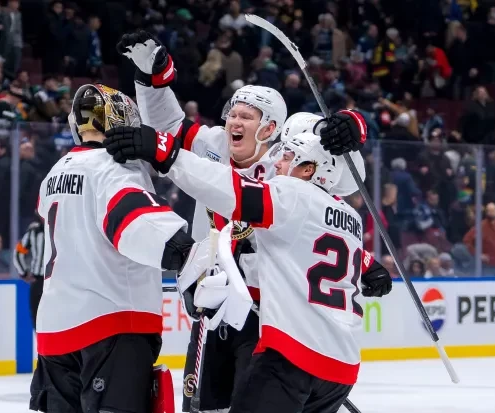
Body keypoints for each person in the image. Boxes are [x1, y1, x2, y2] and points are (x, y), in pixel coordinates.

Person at [116, 30, 367, 413]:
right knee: (202, 407)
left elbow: (343, 186)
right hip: (210, 305)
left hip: (263, 315)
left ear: (269, 128)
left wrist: (350, 129)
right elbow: (167, 130)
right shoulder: (215, 145)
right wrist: (152, 79)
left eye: (246, 116)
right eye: (232, 113)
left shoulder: (287, 168)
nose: (234, 121)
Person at [104, 118, 392, 413]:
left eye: (288, 156)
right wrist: (368, 264)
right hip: (341, 368)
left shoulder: (292, 196)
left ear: (309, 169)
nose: (278, 163)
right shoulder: (350, 218)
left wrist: (168, 154)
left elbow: (229, 189)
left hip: (292, 355)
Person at [29, 83, 215, 413]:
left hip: (54, 329)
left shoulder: (56, 172)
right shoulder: (113, 168)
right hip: (111, 323)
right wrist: (190, 256)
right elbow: (136, 223)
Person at [14, 217, 45, 329]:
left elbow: (18, 254)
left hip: (39, 281)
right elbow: (18, 253)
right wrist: (24, 273)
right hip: (56, 281)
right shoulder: (63, 228)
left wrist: (24, 273)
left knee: (39, 323)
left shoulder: (34, 231)